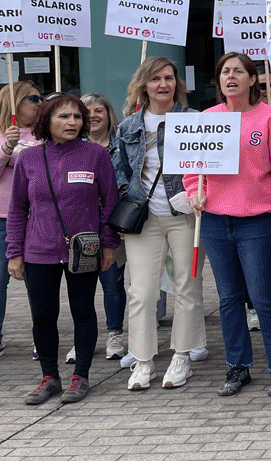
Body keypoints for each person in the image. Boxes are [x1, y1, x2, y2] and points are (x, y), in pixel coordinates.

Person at [184, 52, 271, 396]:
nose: (230, 76)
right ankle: (238, 366)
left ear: (253, 80)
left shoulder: (270, 118)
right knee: (229, 298)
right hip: (216, 221)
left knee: (264, 297)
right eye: (224, 72)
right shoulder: (207, 117)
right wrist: (193, 192)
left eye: (237, 71)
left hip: (257, 222)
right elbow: (193, 166)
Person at [8, 93, 118, 404]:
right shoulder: (28, 158)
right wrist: (14, 252)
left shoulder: (96, 155)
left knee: (83, 310)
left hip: (84, 249)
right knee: (43, 315)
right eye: (64, 117)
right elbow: (17, 209)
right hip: (38, 249)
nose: (73, 122)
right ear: (47, 121)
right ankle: (49, 377)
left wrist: (109, 244)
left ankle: (80, 376)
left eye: (77, 117)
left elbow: (110, 202)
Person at [114, 57, 208, 391]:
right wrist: (131, 196)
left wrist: (197, 192)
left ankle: (181, 355)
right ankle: (143, 361)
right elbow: (119, 169)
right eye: (155, 79)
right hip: (145, 218)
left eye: (169, 78)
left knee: (187, 286)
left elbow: (209, 162)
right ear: (144, 84)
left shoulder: (195, 120)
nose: (163, 84)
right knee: (141, 291)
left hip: (183, 214)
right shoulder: (128, 126)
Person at [82, 92, 126, 361]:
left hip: (114, 225)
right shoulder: (73, 148)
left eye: (99, 110)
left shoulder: (122, 145)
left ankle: (115, 334)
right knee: (82, 285)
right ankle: (83, 337)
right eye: (87, 111)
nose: (93, 115)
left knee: (113, 283)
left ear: (108, 115)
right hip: (82, 225)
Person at [0, 81, 41, 359]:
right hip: (3, 219)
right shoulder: (4, 133)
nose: (40, 103)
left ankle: (43, 336)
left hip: (39, 220)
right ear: (14, 102)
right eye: (33, 98)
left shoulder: (47, 132)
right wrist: (7, 148)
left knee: (39, 284)